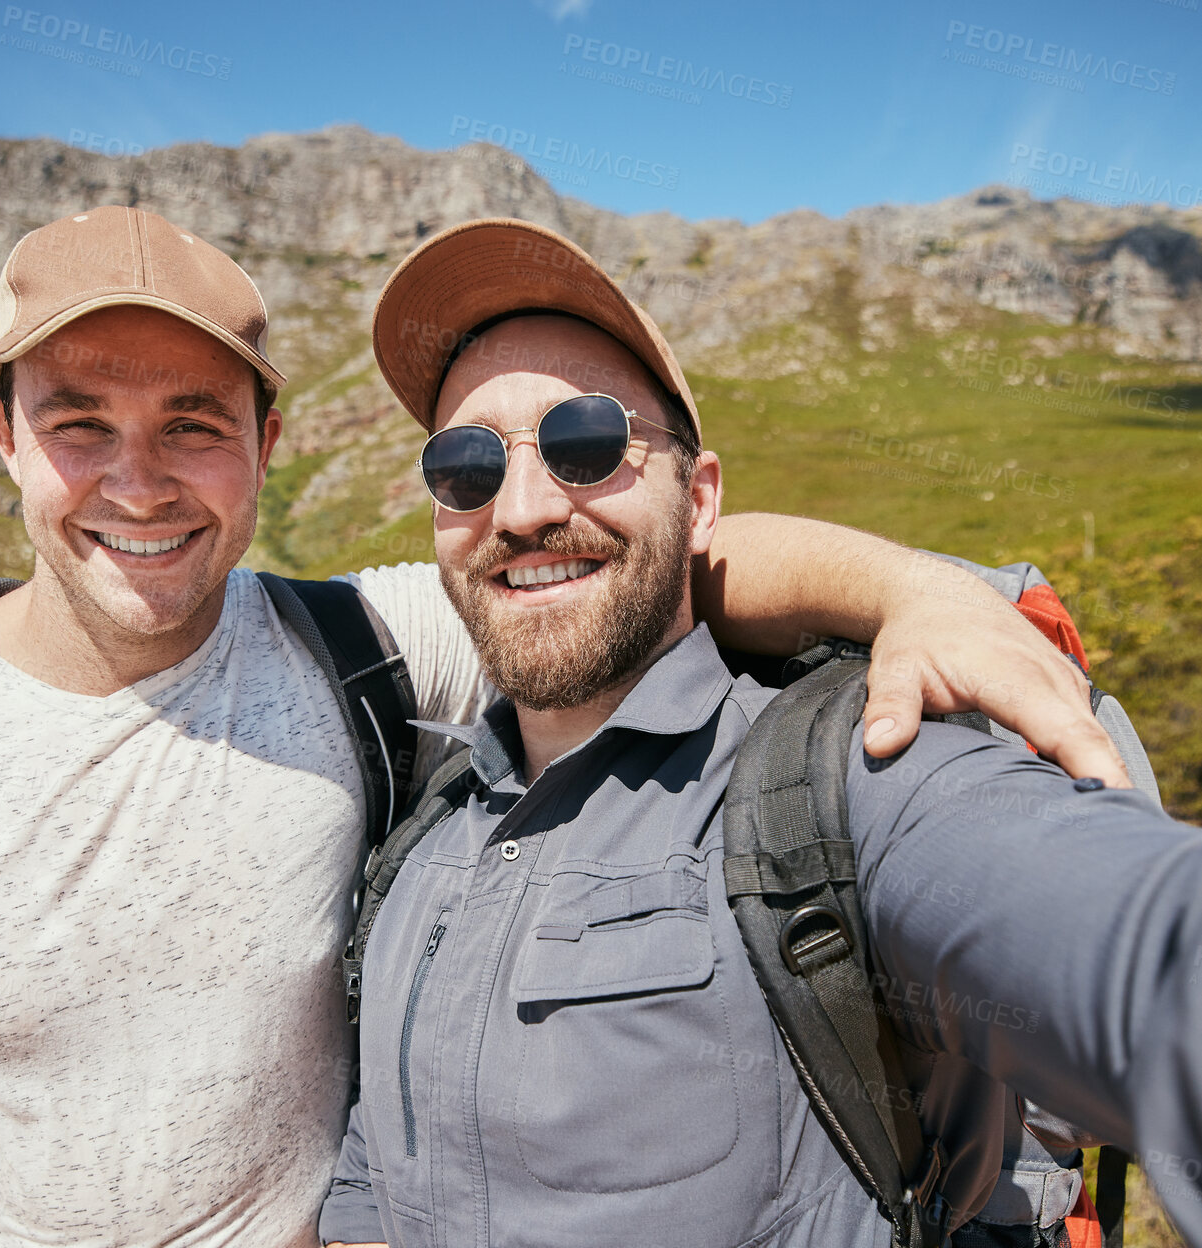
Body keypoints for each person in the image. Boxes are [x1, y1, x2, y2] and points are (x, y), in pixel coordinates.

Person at [0, 208, 1134, 1248]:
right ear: (1, 430)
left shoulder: (369, 643)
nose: (140, 482)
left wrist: (927, 593)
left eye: (194, 424)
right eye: (82, 422)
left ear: (268, 440)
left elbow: (618, 562)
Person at [318, 217, 1201, 1248]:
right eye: (464, 464)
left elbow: (1150, 961)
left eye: (585, 443)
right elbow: (375, 1194)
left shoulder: (844, 780)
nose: (517, 508)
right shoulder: (419, 839)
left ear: (698, 504)